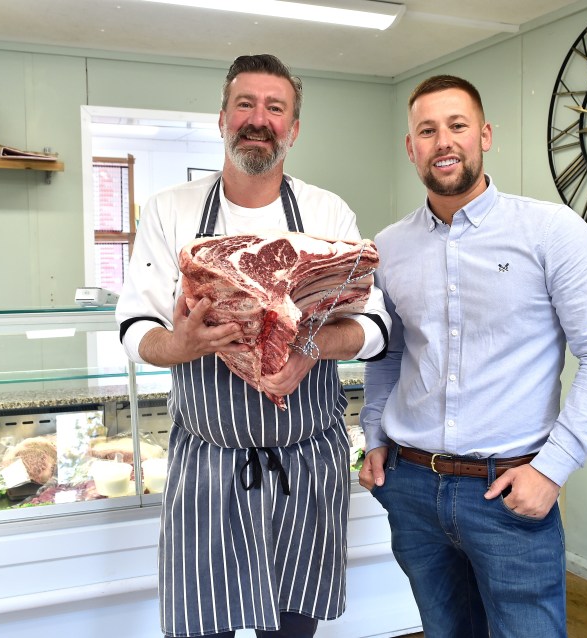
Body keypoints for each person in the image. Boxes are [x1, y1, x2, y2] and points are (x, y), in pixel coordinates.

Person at [116, 54, 390, 638]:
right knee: (203, 624)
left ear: (293, 128)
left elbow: (375, 330)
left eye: (275, 108)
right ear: (222, 119)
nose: (258, 119)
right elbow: (136, 328)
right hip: (209, 463)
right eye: (245, 104)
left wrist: (311, 346)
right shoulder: (172, 211)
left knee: (292, 627)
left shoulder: (325, 213)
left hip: (306, 460)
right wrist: (181, 343)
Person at [359, 74, 587, 637]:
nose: (443, 142)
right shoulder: (388, 247)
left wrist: (552, 470)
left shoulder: (551, 231)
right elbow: (389, 352)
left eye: (457, 126)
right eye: (427, 131)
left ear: (484, 135)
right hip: (411, 487)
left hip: (508, 491)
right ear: (411, 148)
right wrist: (375, 436)